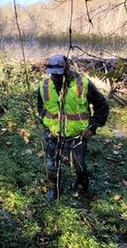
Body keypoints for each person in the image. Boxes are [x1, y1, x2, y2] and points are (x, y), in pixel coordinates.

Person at [37, 54, 109, 200]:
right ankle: (54, 189)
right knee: (51, 163)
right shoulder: (44, 85)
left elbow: (102, 105)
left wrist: (93, 126)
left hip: (78, 133)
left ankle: (82, 184)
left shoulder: (82, 83)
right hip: (53, 132)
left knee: (79, 164)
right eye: (53, 74)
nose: (56, 77)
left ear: (67, 68)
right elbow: (41, 107)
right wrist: (44, 120)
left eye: (59, 74)